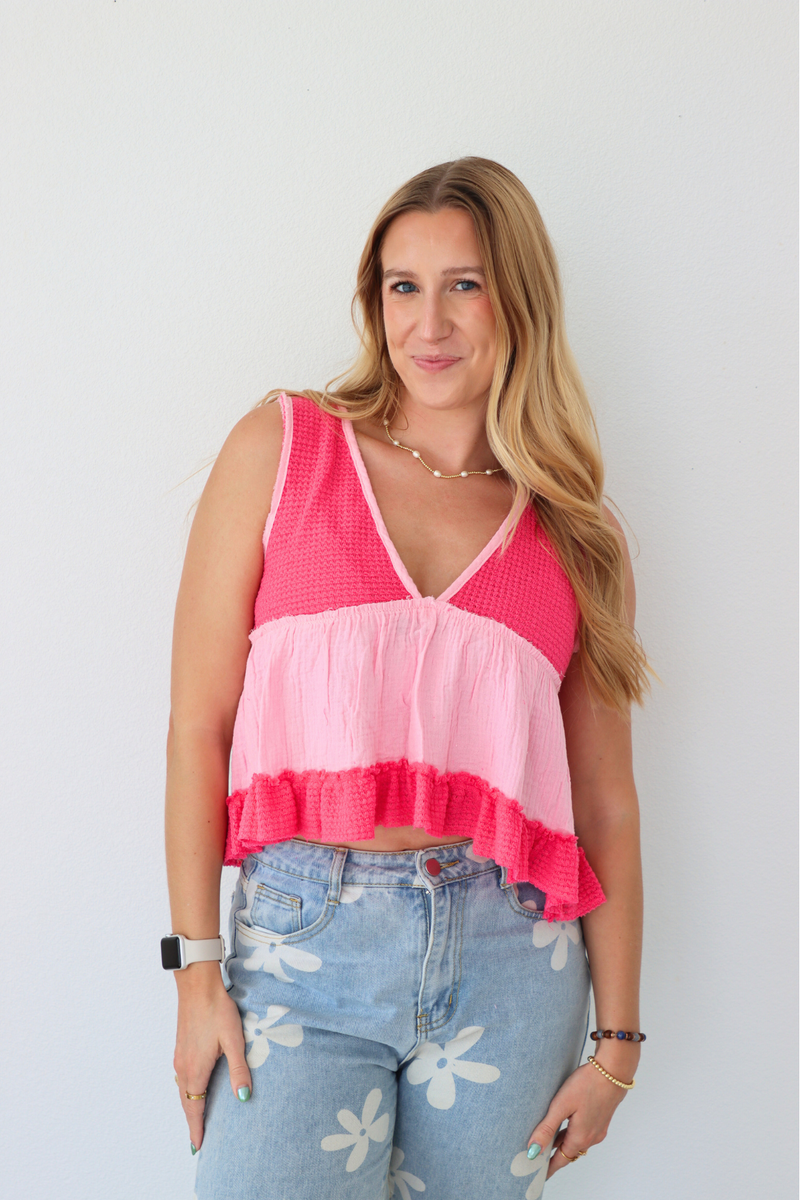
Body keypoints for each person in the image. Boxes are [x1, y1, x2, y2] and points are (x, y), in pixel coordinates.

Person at [164, 157, 648, 1200]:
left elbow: (604, 802)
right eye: (401, 285)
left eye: (463, 284)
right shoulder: (283, 449)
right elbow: (197, 726)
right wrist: (194, 969)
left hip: (511, 962)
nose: (427, 322)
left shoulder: (575, 531)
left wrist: (616, 1045)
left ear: (518, 299)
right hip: (301, 941)